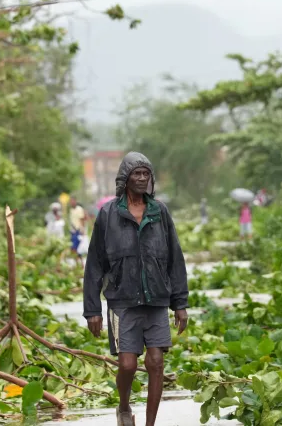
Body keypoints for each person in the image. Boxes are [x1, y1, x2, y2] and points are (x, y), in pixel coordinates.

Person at [83, 152, 189, 426]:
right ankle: (123, 407)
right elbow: (94, 262)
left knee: (156, 363)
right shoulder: (109, 214)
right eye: (136, 174)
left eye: (146, 174)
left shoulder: (159, 212)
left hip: (156, 300)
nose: (142, 178)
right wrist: (92, 309)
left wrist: (180, 303)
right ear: (125, 178)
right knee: (128, 364)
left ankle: (150, 424)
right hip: (122, 301)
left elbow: (175, 258)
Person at [69, 197, 87, 262]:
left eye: (73, 201)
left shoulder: (79, 209)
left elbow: (82, 220)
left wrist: (82, 230)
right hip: (72, 231)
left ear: (75, 201)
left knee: (77, 247)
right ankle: (77, 261)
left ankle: (79, 261)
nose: (72, 203)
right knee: (73, 247)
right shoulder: (71, 210)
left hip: (78, 230)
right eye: (71, 201)